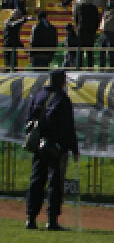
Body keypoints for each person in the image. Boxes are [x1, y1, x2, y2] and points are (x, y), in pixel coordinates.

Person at [25, 69, 80, 230]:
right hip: (56, 146)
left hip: (39, 145)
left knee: (36, 181)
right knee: (55, 183)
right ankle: (51, 220)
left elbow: (29, 120)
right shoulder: (62, 99)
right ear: (61, 81)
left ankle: (31, 218)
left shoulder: (38, 96)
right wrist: (74, 148)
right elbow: (68, 127)